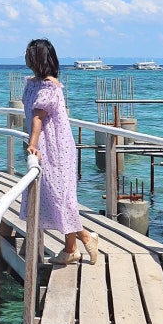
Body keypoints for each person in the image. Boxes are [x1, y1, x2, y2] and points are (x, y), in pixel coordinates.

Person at [21, 38, 98, 265]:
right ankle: (71, 248)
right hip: (46, 145)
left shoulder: (49, 86)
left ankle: (84, 238)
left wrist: (32, 145)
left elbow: (38, 117)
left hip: (56, 148)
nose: (26, 58)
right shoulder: (33, 83)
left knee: (60, 196)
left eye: (30, 54)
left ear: (39, 59)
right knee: (56, 196)